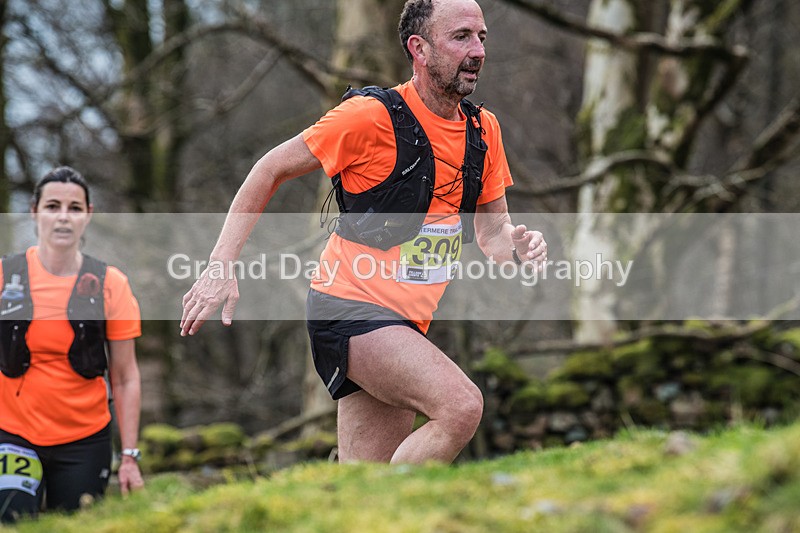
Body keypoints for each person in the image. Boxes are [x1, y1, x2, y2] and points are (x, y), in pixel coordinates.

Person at [180, 0, 547, 464]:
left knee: (363, 481)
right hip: (348, 308)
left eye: (482, 37)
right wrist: (221, 266)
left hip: (406, 322)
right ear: (420, 48)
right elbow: (268, 169)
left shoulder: (484, 131)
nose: (477, 50)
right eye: (461, 37)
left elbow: (494, 234)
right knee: (460, 406)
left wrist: (515, 246)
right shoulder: (371, 117)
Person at [0, 167, 144, 522]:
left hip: (85, 439)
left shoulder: (111, 284)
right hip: (13, 434)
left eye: (74, 208)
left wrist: (128, 456)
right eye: (52, 206)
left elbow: (125, 377)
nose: (63, 217)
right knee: (12, 522)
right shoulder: (5, 277)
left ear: (88, 215)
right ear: (34, 212)